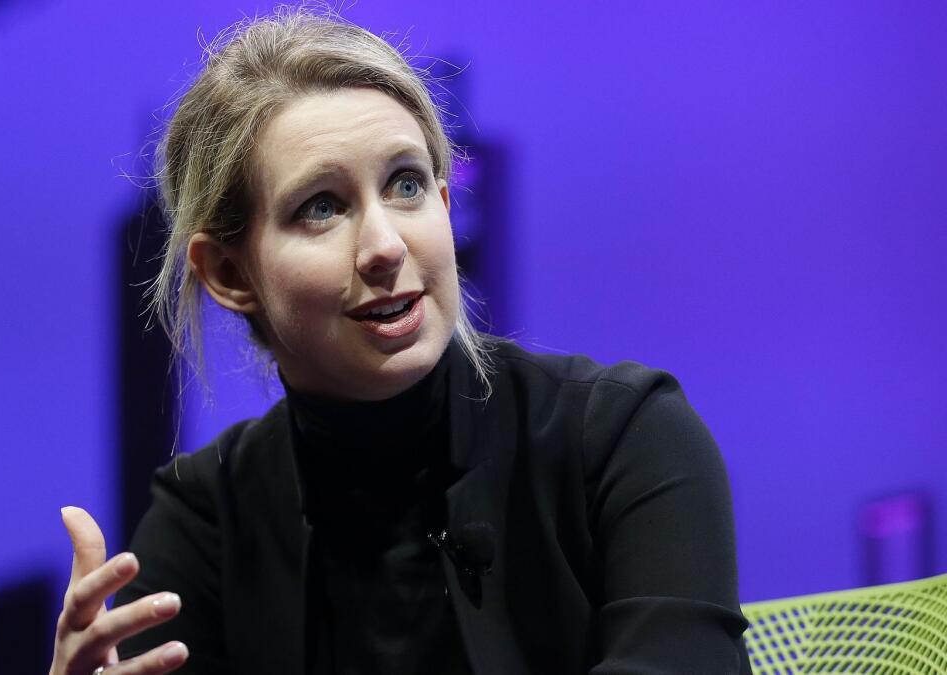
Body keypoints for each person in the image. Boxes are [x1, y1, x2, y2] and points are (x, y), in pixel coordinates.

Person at [49, 7, 751, 675]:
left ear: (446, 207)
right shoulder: (205, 522)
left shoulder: (622, 438)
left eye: (407, 185)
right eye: (321, 207)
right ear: (231, 274)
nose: (385, 245)